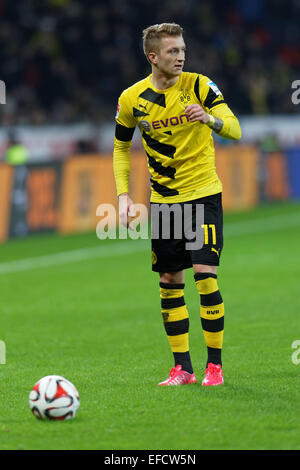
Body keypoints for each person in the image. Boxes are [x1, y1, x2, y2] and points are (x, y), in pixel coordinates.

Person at [113, 23, 241, 386]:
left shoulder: (200, 86)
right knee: (170, 281)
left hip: (202, 194)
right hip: (165, 203)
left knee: (204, 277)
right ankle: (182, 368)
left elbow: (236, 128)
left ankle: (213, 367)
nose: (181, 55)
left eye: (182, 49)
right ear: (153, 56)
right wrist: (123, 195)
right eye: (172, 51)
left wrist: (211, 119)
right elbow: (121, 147)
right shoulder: (132, 99)